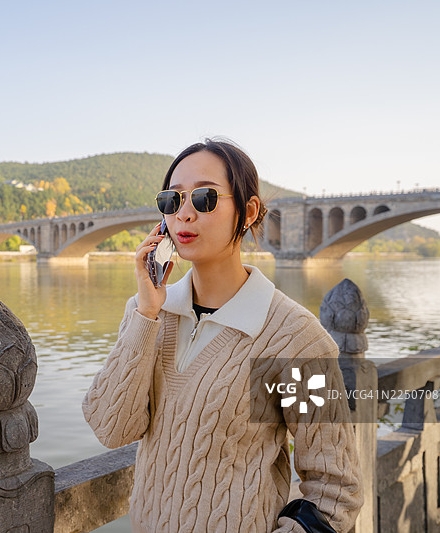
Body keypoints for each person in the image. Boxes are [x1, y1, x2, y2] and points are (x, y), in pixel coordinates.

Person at [82, 138, 363, 533]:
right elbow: (111, 430)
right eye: (172, 200)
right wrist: (146, 311)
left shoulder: (296, 338)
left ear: (247, 212)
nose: (184, 214)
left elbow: (337, 487)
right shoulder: (149, 313)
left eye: (204, 198)